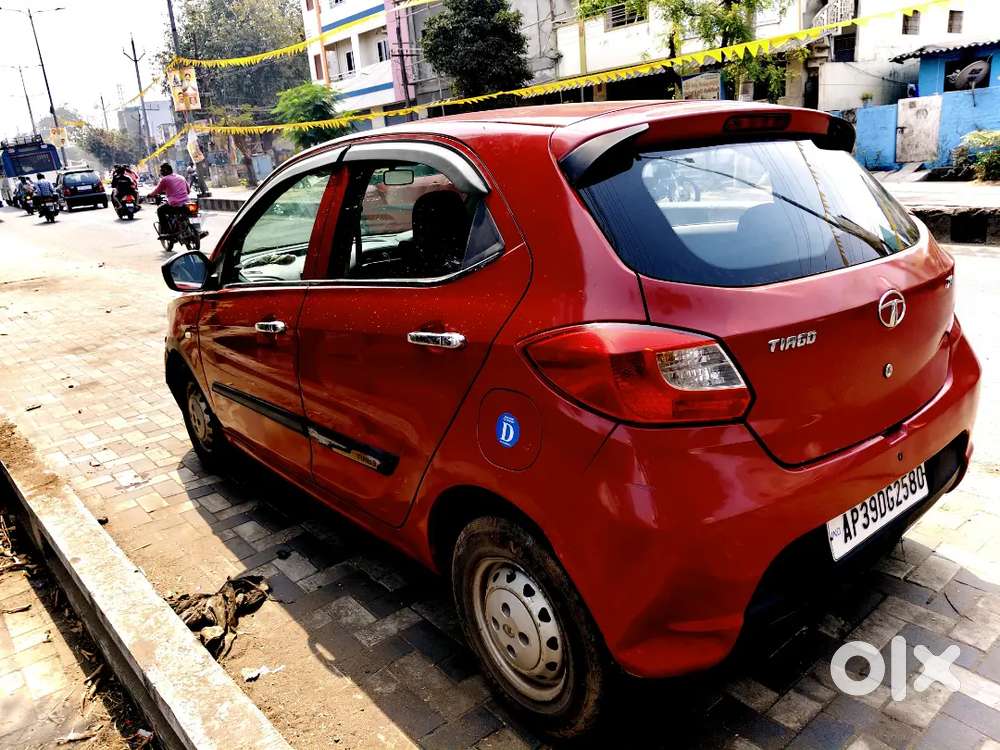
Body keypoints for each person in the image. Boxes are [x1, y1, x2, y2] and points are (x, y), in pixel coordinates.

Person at [148, 162, 190, 236]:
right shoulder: (181, 177)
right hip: (186, 202)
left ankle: (165, 230)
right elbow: (188, 190)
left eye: (162, 171)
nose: (161, 172)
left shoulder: (165, 179)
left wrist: (150, 195)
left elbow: (157, 190)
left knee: (160, 210)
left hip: (174, 204)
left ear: (166, 171)